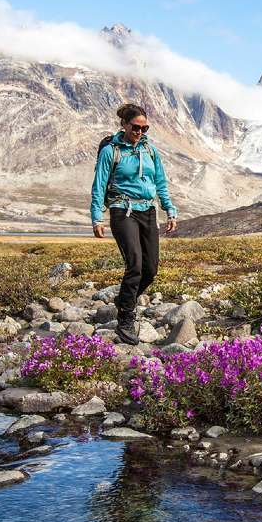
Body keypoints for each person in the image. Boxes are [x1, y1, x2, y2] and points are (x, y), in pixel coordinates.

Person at [91, 103, 178, 345]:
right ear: (124, 125)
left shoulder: (150, 151)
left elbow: (160, 182)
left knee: (151, 269)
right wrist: (96, 216)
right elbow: (99, 184)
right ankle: (126, 318)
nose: (140, 132)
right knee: (135, 265)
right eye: (136, 127)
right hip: (122, 210)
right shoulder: (111, 151)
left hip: (148, 210)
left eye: (144, 128)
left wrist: (170, 210)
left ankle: (124, 301)